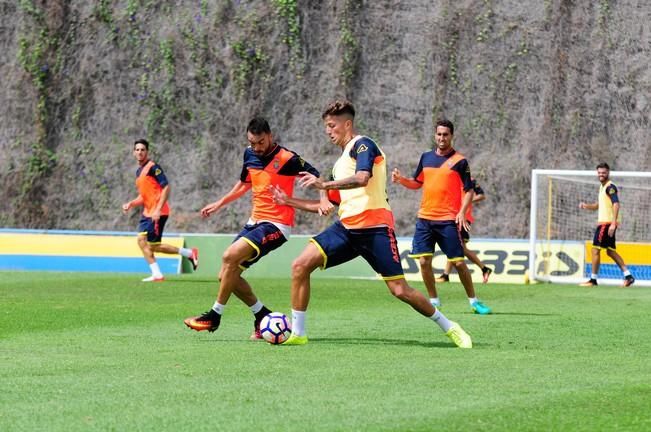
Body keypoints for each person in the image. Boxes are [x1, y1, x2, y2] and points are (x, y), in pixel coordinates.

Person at [276, 100, 472, 348]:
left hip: (375, 229)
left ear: (347, 124)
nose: (328, 131)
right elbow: (327, 205)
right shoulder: (340, 164)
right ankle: (298, 333)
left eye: (331, 125)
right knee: (300, 265)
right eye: (326, 126)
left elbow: (362, 178)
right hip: (346, 229)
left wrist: (323, 184)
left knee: (400, 290)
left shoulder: (363, 145)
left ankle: (450, 326)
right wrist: (288, 200)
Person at [183, 117, 325, 340]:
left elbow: (316, 175)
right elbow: (244, 184)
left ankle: (214, 315)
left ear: (270, 136)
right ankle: (262, 315)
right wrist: (219, 203)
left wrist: (323, 198)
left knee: (229, 256)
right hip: (254, 222)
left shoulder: (286, 158)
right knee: (225, 276)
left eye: (260, 142)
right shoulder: (249, 154)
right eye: (252, 142)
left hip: (277, 225)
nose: (256, 147)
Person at [391, 119, 491, 314]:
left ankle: (474, 301)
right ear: (434, 135)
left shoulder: (460, 161)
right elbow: (417, 182)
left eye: (445, 134)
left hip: (447, 220)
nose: (442, 138)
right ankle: (434, 300)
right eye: (439, 134)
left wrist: (462, 212)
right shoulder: (426, 158)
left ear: (451, 136)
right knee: (423, 261)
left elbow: (469, 191)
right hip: (425, 219)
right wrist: (402, 180)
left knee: (459, 263)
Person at [122, 139, 199, 282]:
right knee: (142, 241)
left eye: (142, 150)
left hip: (159, 212)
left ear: (147, 152)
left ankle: (188, 254)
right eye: (137, 150)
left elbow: (166, 187)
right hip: (147, 213)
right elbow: (144, 196)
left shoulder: (153, 167)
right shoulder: (139, 172)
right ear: (134, 152)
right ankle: (158, 273)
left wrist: (157, 209)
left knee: (152, 245)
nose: (140, 152)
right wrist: (131, 204)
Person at [578, 162, 635, 287]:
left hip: (606, 224)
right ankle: (628, 276)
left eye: (603, 172)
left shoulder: (610, 187)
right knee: (610, 251)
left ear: (608, 172)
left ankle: (593, 280)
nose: (601, 175)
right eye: (599, 173)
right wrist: (586, 206)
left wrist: (613, 223)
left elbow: (616, 203)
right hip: (607, 224)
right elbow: (598, 206)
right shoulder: (602, 187)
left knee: (595, 250)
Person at [435, 177, 493, 284]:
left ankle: (446, 275)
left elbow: (481, 195)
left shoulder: (469, 180)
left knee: (458, 247)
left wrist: (467, 200)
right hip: (452, 217)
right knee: (456, 247)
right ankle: (446, 275)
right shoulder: (450, 179)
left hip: (463, 218)